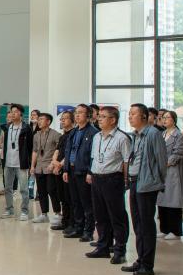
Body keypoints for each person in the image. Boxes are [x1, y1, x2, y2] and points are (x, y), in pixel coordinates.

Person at [120, 103, 167, 275]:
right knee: (137, 224)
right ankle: (140, 260)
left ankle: (147, 264)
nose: (130, 116)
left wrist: (157, 181)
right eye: (129, 114)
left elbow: (162, 161)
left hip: (147, 184)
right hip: (134, 183)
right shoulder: (135, 136)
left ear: (144, 117)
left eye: (133, 114)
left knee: (146, 225)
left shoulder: (153, 134)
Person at [85, 106, 131, 264]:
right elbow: (94, 158)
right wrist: (91, 173)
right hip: (97, 179)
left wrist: (126, 181)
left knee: (117, 216)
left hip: (113, 179)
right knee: (100, 216)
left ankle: (120, 250)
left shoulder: (122, 138)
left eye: (103, 116)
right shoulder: (97, 136)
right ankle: (103, 247)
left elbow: (126, 161)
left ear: (113, 120)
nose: (99, 119)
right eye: (99, 116)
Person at [62, 104, 98, 239]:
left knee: (86, 203)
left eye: (81, 112)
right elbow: (68, 151)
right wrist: (66, 169)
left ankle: (88, 231)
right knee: (75, 201)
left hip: (84, 172)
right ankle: (78, 228)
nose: (77, 115)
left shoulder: (93, 132)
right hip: (72, 170)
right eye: (76, 112)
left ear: (88, 115)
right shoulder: (74, 132)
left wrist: (90, 172)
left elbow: (93, 155)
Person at [0, 104, 34, 220]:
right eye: (11, 112)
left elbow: (30, 146)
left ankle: (24, 211)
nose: (12, 114)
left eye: (15, 111)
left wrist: (30, 162)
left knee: (24, 189)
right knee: (8, 188)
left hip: (21, 163)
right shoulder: (7, 127)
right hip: (8, 162)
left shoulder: (26, 128)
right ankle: (9, 209)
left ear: (21, 114)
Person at [157, 110, 183, 240]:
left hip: (172, 170)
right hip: (161, 171)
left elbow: (179, 152)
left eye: (167, 117)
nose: (164, 120)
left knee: (173, 201)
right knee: (162, 200)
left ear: (174, 120)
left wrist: (166, 163)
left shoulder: (178, 135)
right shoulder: (162, 134)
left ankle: (175, 231)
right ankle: (164, 229)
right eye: (163, 118)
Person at [30, 112, 62, 224]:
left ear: (48, 122)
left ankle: (58, 213)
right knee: (41, 192)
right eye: (38, 119)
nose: (39, 121)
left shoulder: (56, 134)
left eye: (42, 119)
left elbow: (59, 150)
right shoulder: (36, 135)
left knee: (52, 190)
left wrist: (53, 163)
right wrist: (32, 166)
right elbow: (35, 151)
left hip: (50, 167)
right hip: (39, 167)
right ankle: (44, 214)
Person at [50, 110, 75, 231]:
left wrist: (60, 164)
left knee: (69, 197)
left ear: (72, 120)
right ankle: (65, 221)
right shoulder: (62, 136)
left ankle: (71, 223)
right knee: (62, 197)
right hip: (59, 169)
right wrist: (54, 162)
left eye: (65, 118)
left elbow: (69, 153)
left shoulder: (73, 134)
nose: (62, 120)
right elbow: (57, 150)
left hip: (67, 169)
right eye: (61, 119)